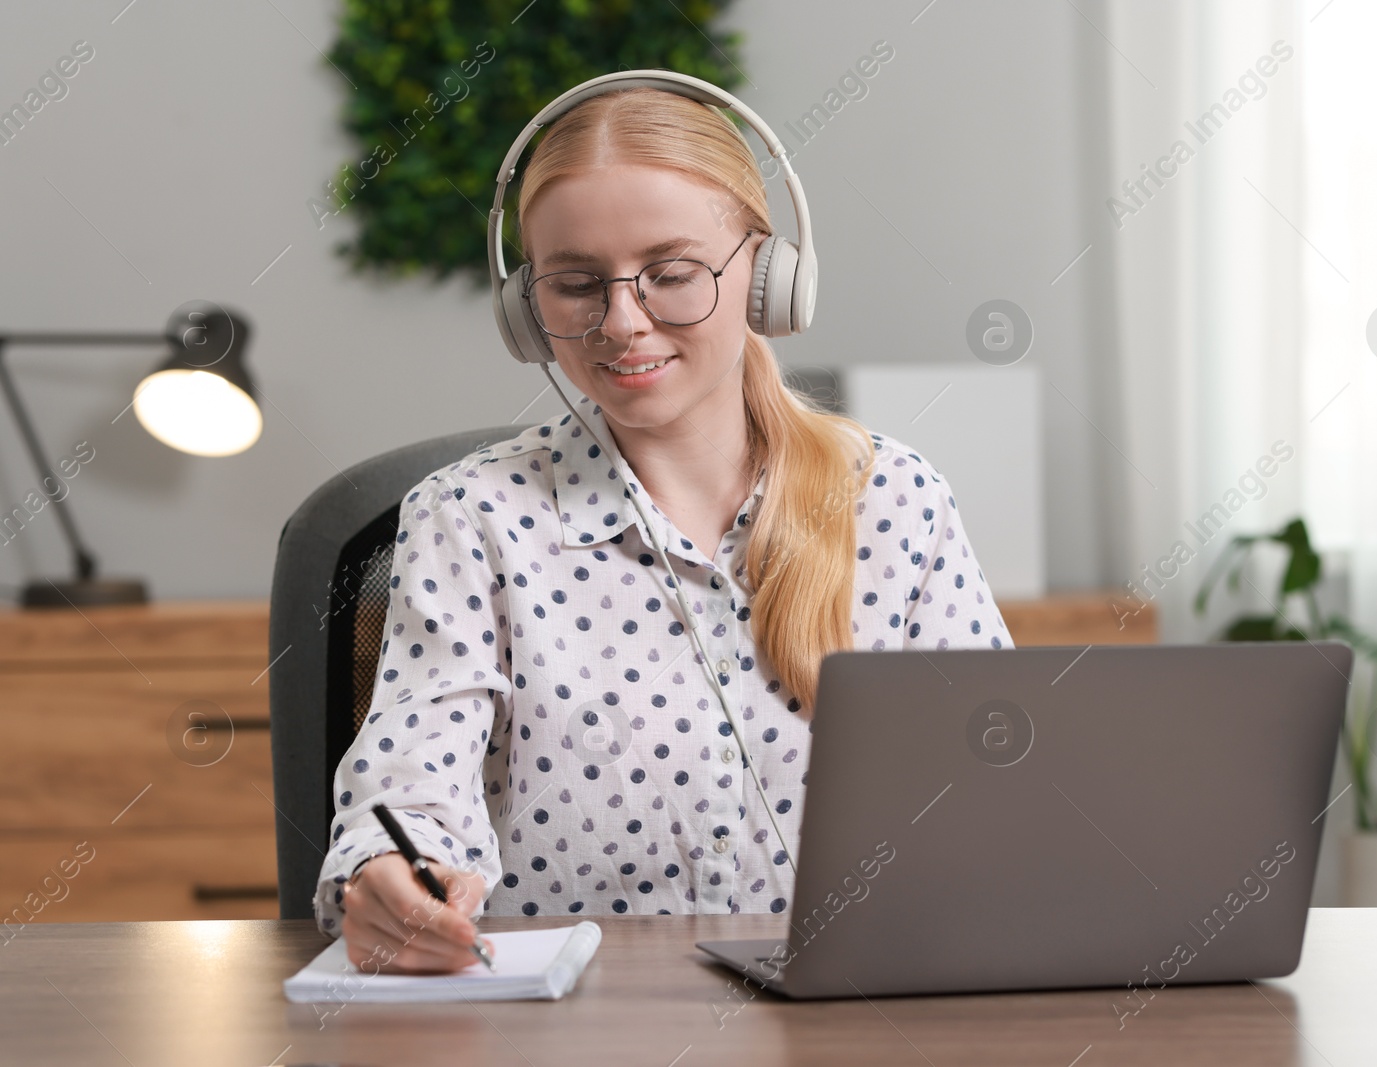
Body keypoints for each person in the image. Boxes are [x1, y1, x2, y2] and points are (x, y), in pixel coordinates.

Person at [313, 82, 1014, 974]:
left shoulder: (896, 501)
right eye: (574, 284)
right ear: (527, 308)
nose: (622, 323)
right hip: (573, 1031)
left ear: (768, 278)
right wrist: (389, 872)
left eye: (673, 274)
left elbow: (999, 794)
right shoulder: (469, 521)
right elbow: (413, 778)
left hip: (853, 1020)